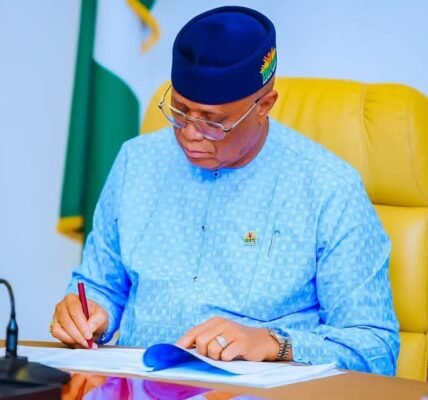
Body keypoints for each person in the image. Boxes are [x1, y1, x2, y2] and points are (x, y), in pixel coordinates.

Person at [51, 6, 399, 375]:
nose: (190, 134)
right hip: (139, 386)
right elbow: (100, 285)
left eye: (212, 122)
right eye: (180, 111)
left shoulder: (328, 188)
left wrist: (274, 344)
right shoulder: (136, 162)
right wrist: (88, 312)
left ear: (264, 106)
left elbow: (375, 350)